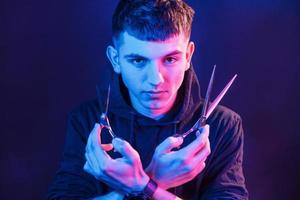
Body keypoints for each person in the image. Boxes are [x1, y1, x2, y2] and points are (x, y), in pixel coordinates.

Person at [46, 0, 248, 199]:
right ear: (116, 60)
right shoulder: (86, 120)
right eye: (138, 60)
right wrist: (152, 182)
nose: (155, 80)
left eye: (170, 59)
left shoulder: (223, 125)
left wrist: (143, 184)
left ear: (188, 56)